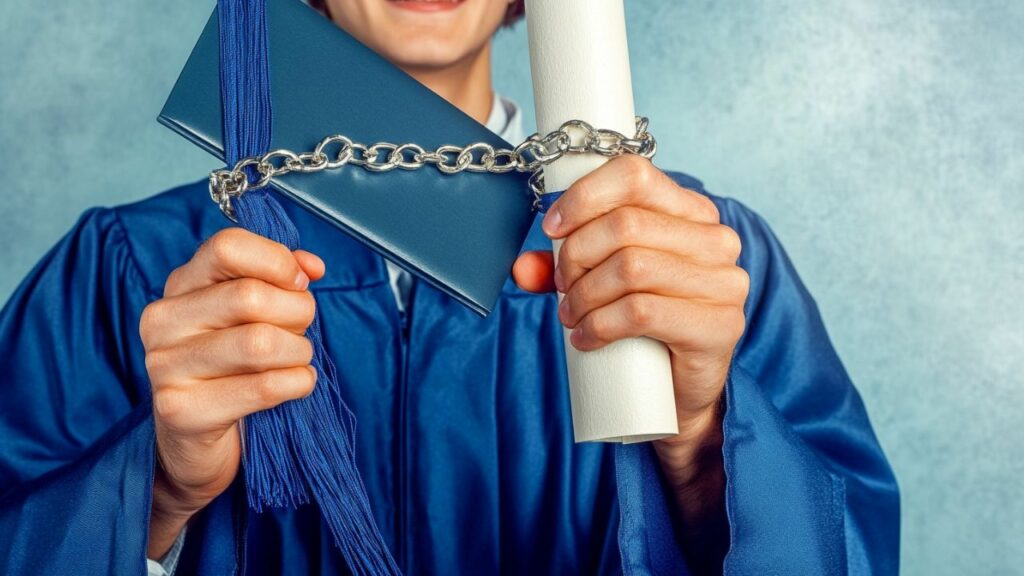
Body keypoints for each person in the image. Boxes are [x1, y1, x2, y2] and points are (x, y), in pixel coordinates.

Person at [0, 0, 899, 574]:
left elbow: (850, 551)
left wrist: (705, 438)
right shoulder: (131, 267)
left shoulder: (694, 260)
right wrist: (154, 494)